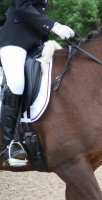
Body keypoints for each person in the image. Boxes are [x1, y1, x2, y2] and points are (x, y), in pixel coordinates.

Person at [0, 0, 75, 167]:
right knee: (16, 82)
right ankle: (7, 147)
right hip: (14, 41)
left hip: (36, 43)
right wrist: (54, 26)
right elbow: (22, 6)